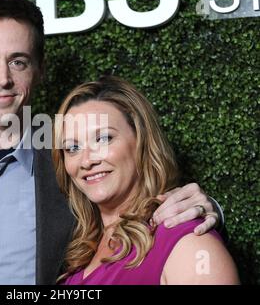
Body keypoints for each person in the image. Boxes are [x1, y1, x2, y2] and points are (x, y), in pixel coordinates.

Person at [0, 0, 223, 285]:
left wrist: (204, 213)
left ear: (40, 69)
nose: (2, 78)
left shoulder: (73, 159)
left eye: (18, 61)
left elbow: (132, 208)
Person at [52, 76, 239, 284]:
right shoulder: (80, 253)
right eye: (73, 148)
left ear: (141, 142)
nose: (86, 161)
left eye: (103, 139)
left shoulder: (188, 240)